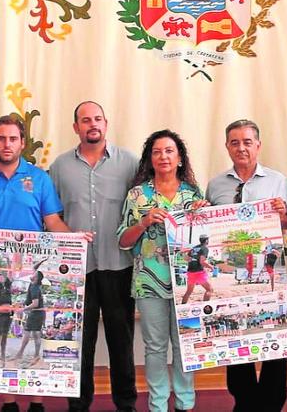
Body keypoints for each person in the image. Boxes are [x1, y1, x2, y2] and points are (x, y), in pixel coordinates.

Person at [0, 115, 75, 412]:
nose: (7, 144)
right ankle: (8, 402)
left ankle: (36, 402)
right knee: (0, 332)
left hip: (29, 268)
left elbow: (52, 222)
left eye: (13, 139)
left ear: (22, 143)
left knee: (29, 331)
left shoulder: (39, 179)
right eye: (1, 138)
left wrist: (77, 240)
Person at [49, 101, 138, 412]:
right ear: (76, 127)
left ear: (106, 122)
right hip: (75, 269)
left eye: (97, 118)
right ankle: (78, 404)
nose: (92, 124)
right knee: (78, 343)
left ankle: (126, 404)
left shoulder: (129, 162)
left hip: (118, 264)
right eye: (85, 120)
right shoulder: (59, 166)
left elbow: (142, 206)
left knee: (121, 340)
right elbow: (52, 215)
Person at [206, 119, 287, 412]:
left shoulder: (277, 180)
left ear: (258, 145)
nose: (241, 147)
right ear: (227, 146)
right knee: (234, 336)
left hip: (267, 272)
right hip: (230, 278)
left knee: (272, 336)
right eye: (235, 142)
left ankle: (271, 403)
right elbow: (206, 228)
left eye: (247, 142)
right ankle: (244, 402)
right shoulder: (216, 184)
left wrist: (284, 214)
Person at [118, 129, 207, 412]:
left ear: (180, 158)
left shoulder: (192, 193)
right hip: (149, 284)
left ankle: (185, 403)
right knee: (155, 347)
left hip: (187, 284)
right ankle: (157, 405)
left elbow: (207, 237)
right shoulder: (137, 195)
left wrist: (204, 213)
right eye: (157, 152)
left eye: (169, 151)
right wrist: (143, 223)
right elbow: (122, 240)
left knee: (185, 344)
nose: (163, 156)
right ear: (149, 159)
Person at [181, 234, 213, 303]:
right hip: (199, 272)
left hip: (190, 272)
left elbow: (187, 259)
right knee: (209, 290)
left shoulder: (194, 248)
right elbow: (202, 262)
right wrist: (211, 267)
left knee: (188, 292)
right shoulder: (204, 248)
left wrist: (185, 253)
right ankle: (205, 307)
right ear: (207, 240)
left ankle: (182, 307)